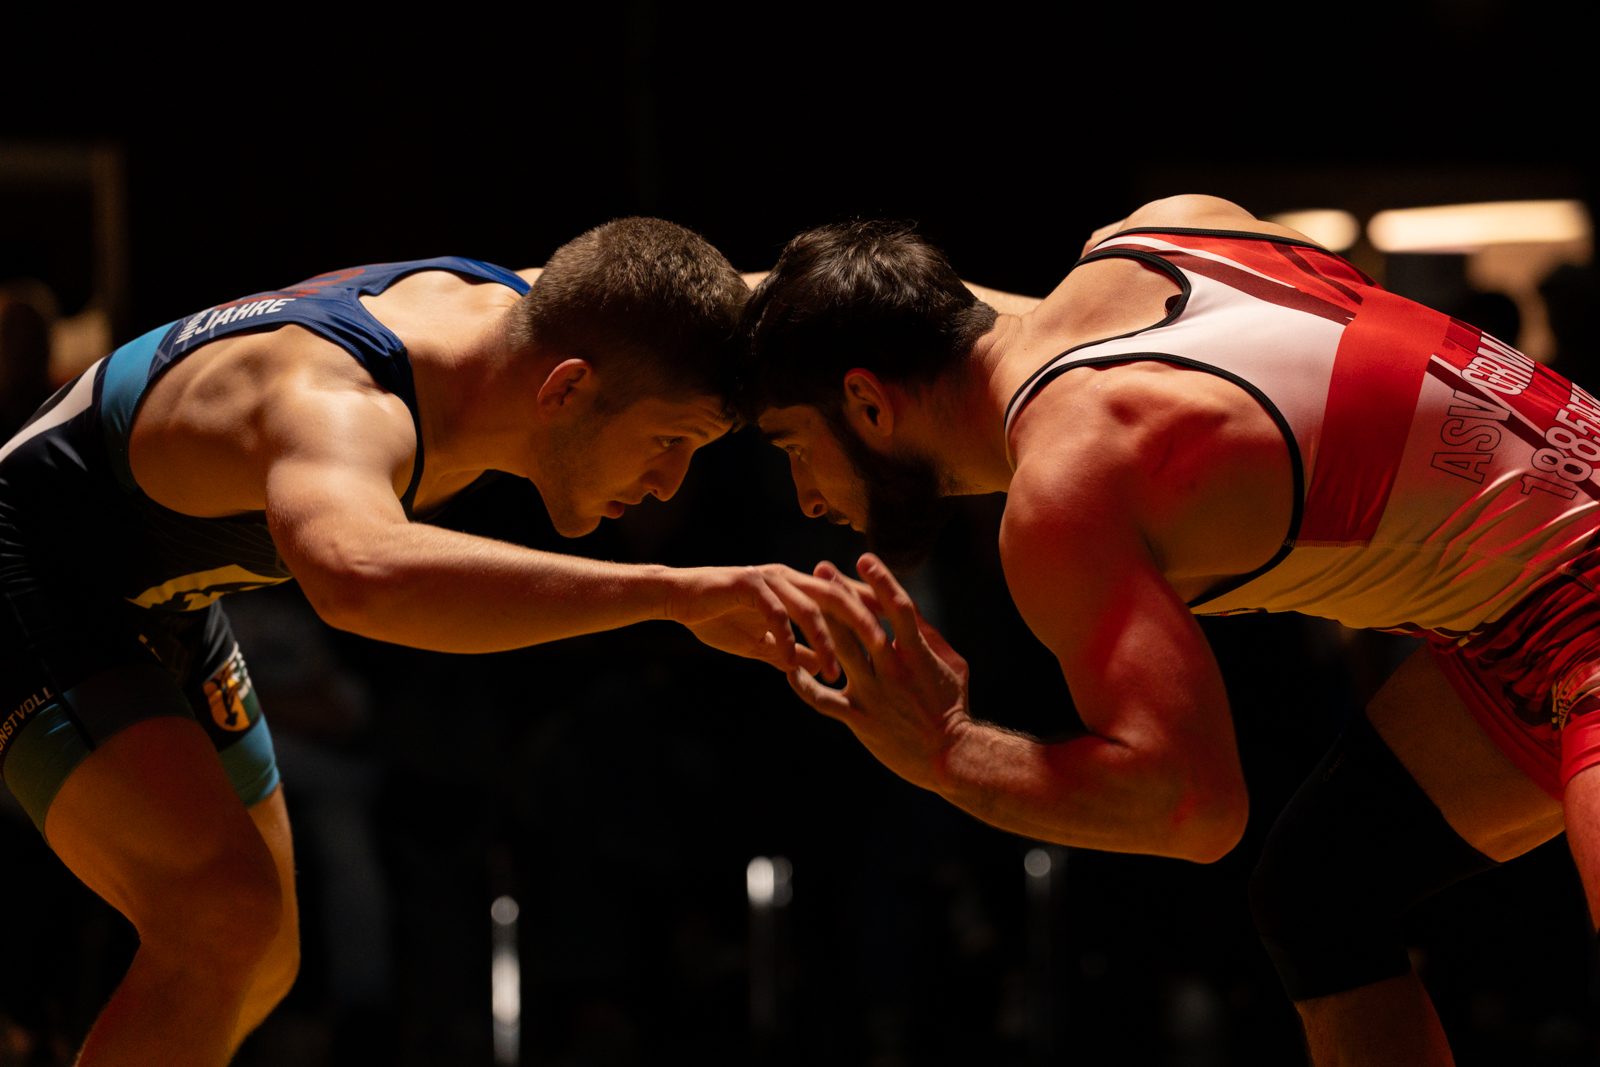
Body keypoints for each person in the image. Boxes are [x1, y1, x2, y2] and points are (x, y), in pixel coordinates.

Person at [741, 198, 1600, 1066]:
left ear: (867, 401)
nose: (807, 496)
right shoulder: (1169, 230)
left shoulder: (1067, 483)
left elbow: (1195, 806)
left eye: (793, 446)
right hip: (1520, 613)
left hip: (1580, 610)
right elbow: (881, 302)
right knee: (1320, 895)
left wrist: (944, 748)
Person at [0, 217, 842, 1067]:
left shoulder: (569, 316)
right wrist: (675, 594)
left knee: (265, 956)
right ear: (567, 390)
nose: (668, 482)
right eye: (669, 442)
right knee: (220, 915)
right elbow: (358, 577)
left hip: (165, 595)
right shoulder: (337, 404)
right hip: (29, 565)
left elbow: (778, 288)